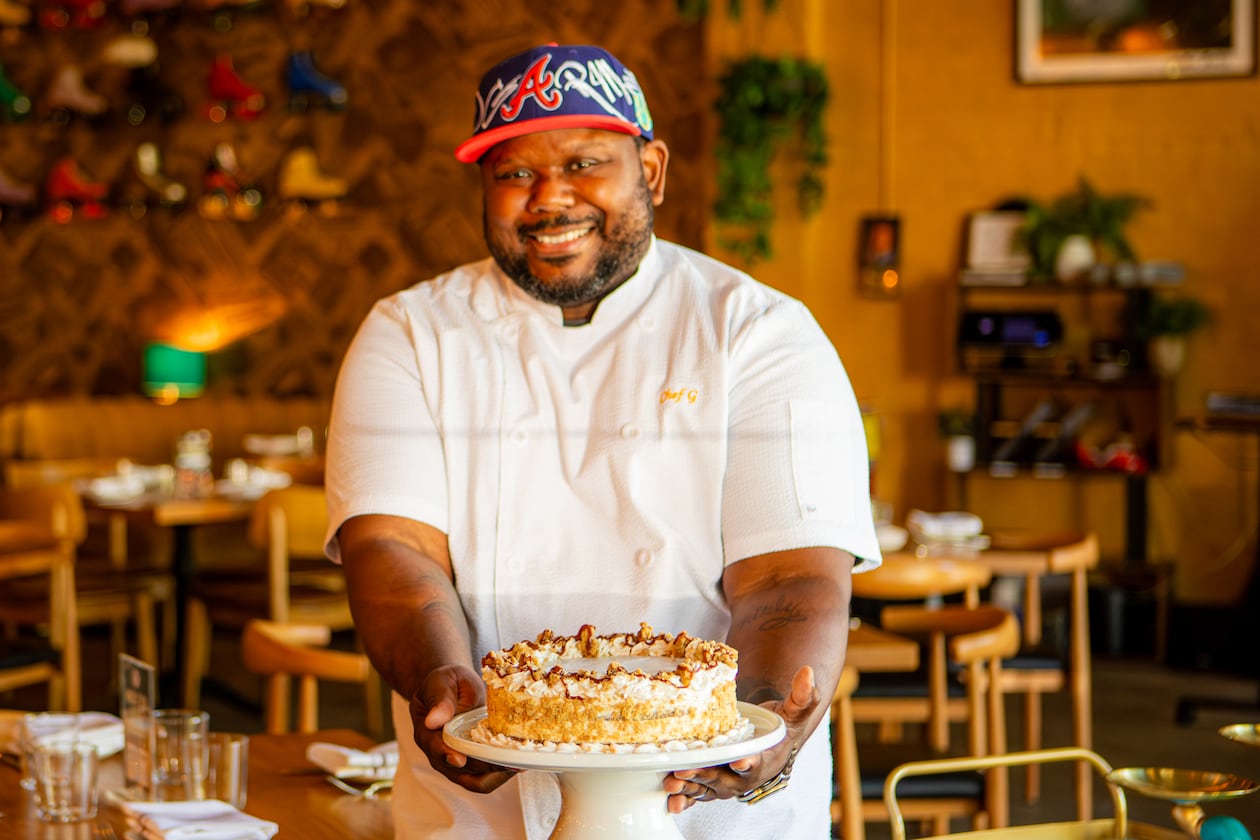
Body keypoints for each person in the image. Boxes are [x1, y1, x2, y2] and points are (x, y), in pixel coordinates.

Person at [324, 43, 881, 839]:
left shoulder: (758, 331)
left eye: (585, 162)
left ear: (651, 170)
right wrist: (442, 688)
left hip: (706, 815)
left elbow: (791, 575)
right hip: (477, 812)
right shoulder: (410, 334)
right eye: (514, 173)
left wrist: (762, 719)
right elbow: (394, 548)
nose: (550, 198)